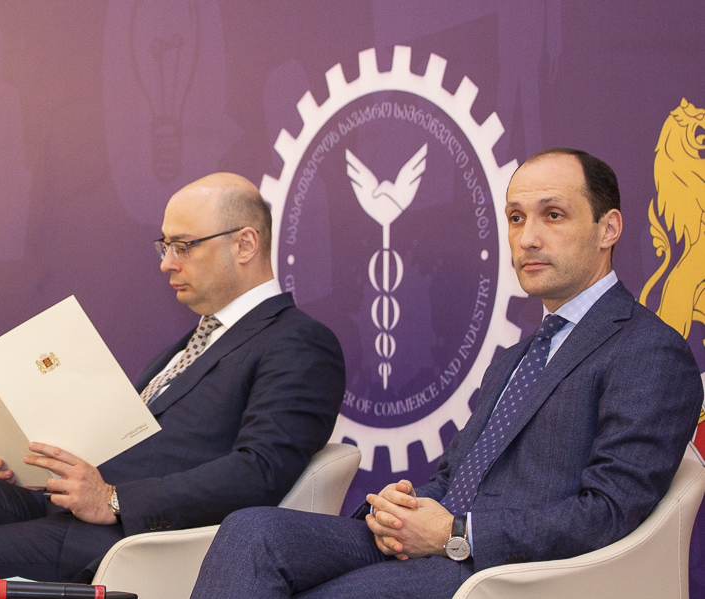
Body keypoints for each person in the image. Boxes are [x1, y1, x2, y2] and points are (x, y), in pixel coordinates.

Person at [189, 148, 704, 599]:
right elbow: (453, 476)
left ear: (608, 229)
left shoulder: (648, 349)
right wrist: (403, 509)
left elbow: (608, 512)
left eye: (553, 215)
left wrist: (458, 532)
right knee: (251, 532)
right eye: (516, 218)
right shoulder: (516, 356)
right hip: (433, 544)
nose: (528, 238)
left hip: (501, 571)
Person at [0, 172, 346, 582]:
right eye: (164, 245)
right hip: (65, 506)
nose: (166, 263)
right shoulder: (194, 340)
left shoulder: (298, 342)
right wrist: (27, 459)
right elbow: (125, 441)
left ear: (245, 244)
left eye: (183, 246)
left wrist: (114, 500)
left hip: (123, 536)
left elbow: (260, 472)